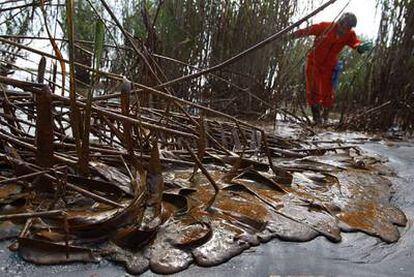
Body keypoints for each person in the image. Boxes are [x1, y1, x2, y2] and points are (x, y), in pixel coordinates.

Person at [291, 12, 372, 124]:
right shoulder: (325, 27)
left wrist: (360, 47)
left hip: (329, 66)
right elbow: (307, 30)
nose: (345, 29)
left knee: (328, 94)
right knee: (314, 89)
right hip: (314, 62)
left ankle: (325, 120)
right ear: (340, 22)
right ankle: (316, 119)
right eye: (344, 25)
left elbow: (355, 43)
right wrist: (290, 36)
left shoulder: (350, 34)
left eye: (348, 27)